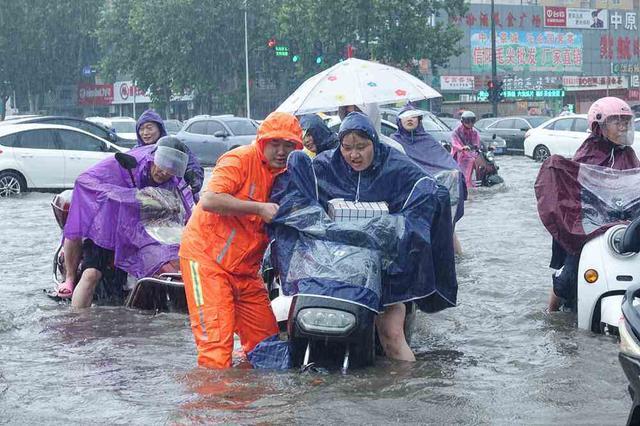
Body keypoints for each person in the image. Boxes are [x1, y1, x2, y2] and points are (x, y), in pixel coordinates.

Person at [271, 112, 457, 361]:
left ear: (374, 143)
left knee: (391, 333)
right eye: (347, 148)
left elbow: (429, 191)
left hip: (386, 270)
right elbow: (296, 196)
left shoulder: (396, 166)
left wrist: (391, 228)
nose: (354, 155)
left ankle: (408, 393)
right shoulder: (325, 166)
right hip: (334, 268)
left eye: (361, 147)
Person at [178, 111, 303, 369]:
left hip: (245, 269)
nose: (281, 151)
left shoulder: (290, 173)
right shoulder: (240, 159)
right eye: (275, 144)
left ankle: (248, 404)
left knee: (267, 346)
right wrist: (258, 208)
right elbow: (209, 200)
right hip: (206, 261)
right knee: (215, 347)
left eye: (288, 145)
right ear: (261, 142)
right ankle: (213, 406)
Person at [56, 136, 194, 307]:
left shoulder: (175, 182)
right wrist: (125, 196)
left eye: (170, 170)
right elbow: (84, 181)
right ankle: (77, 321)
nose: (164, 173)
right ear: (153, 158)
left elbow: (188, 210)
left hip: (145, 233)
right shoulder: (127, 165)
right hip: (107, 226)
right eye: (161, 166)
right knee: (91, 275)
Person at [536, 97, 639, 311]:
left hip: (623, 223)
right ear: (599, 126)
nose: (622, 127)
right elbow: (573, 187)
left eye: (625, 122)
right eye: (616, 122)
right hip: (590, 224)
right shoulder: (588, 153)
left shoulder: (629, 154)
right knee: (568, 278)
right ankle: (551, 313)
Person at [390, 104, 467, 254]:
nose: (410, 119)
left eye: (413, 116)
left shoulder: (429, 141)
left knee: (447, 228)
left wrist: (453, 174)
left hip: (435, 194)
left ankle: (458, 258)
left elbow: (447, 163)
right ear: (399, 121)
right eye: (406, 116)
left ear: (419, 119)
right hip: (409, 196)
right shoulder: (394, 142)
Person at [136, 109, 204, 199]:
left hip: (172, 198)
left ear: (159, 129)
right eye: (141, 129)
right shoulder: (136, 152)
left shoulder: (172, 146)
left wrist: (194, 178)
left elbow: (192, 164)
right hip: (145, 201)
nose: (145, 133)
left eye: (149, 128)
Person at [451, 110, 482, 189]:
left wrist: (478, 148)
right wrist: (462, 148)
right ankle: (466, 183)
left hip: (471, 153)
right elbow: (455, 143)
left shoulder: (474, 132)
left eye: (472, 121)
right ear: (463, 121)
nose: (470, 123)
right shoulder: (456, 131)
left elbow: (477, 142)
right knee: (469, 162)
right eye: (468, 121)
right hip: (459, 154)